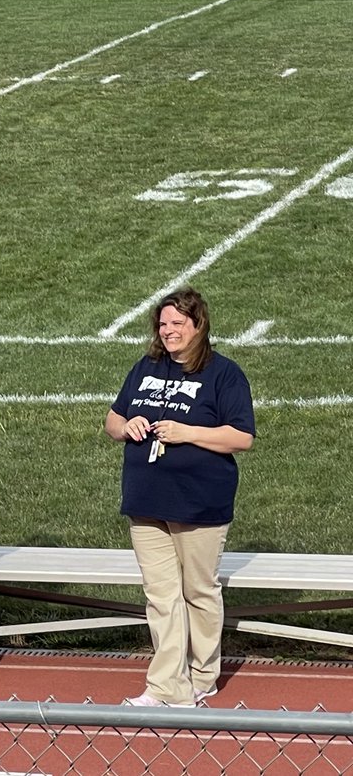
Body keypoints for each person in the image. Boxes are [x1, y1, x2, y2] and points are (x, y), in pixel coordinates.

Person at [105, 287, 254, 708]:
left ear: (197, 325)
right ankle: (167, 685)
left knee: (199, 592)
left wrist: (187, 432)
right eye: (163, 323)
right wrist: (126, 425)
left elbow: (241, 437)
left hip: (199, 503)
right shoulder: (147, 367)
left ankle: (203, 674)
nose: (168, 331)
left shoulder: (224, 374)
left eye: (177, 323)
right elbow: (113, 418)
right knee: (161, 595)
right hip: (146, 499)